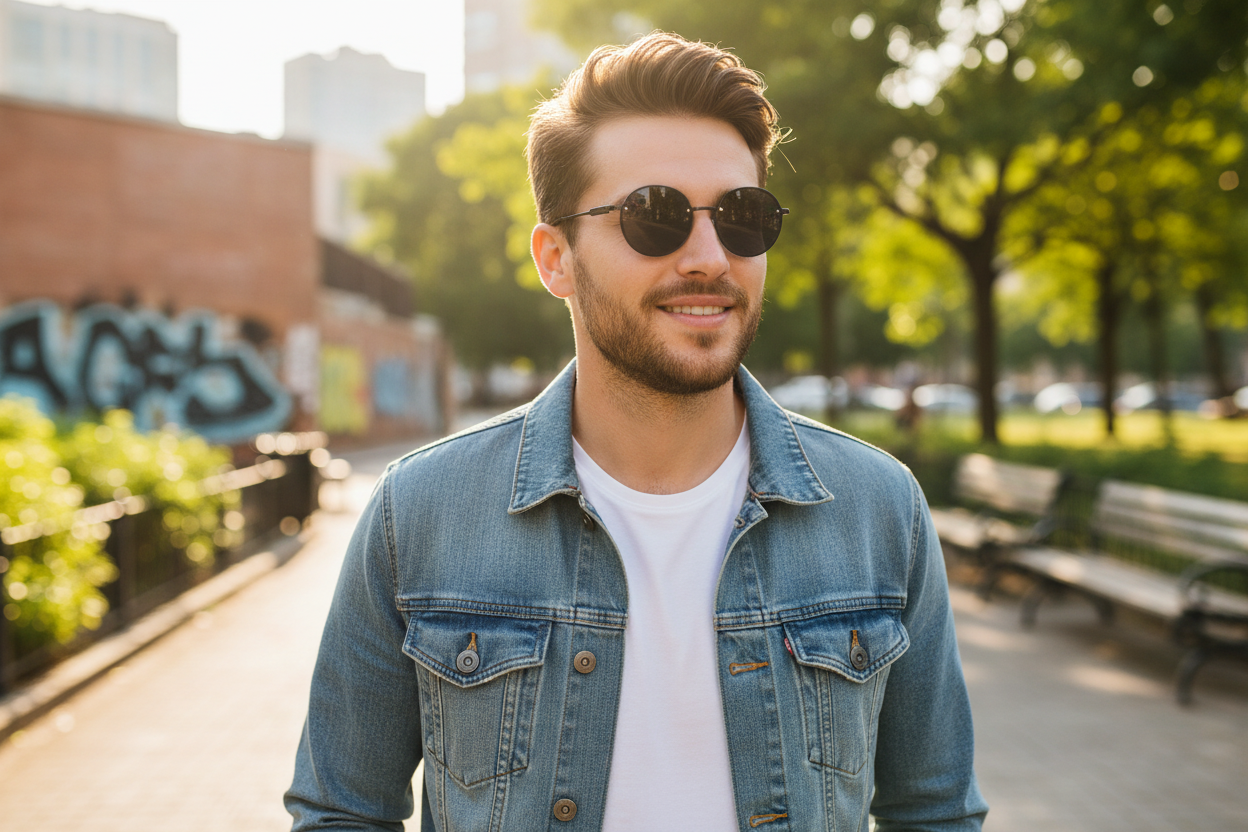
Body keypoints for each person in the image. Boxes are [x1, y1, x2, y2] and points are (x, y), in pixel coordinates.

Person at [286, 32, 987, 832]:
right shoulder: (420, 512)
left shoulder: (877, 508)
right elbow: (340, 810)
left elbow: (935, 812)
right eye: (654, 216)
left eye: (741, 216)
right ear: (556, 259)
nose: (708, 256)